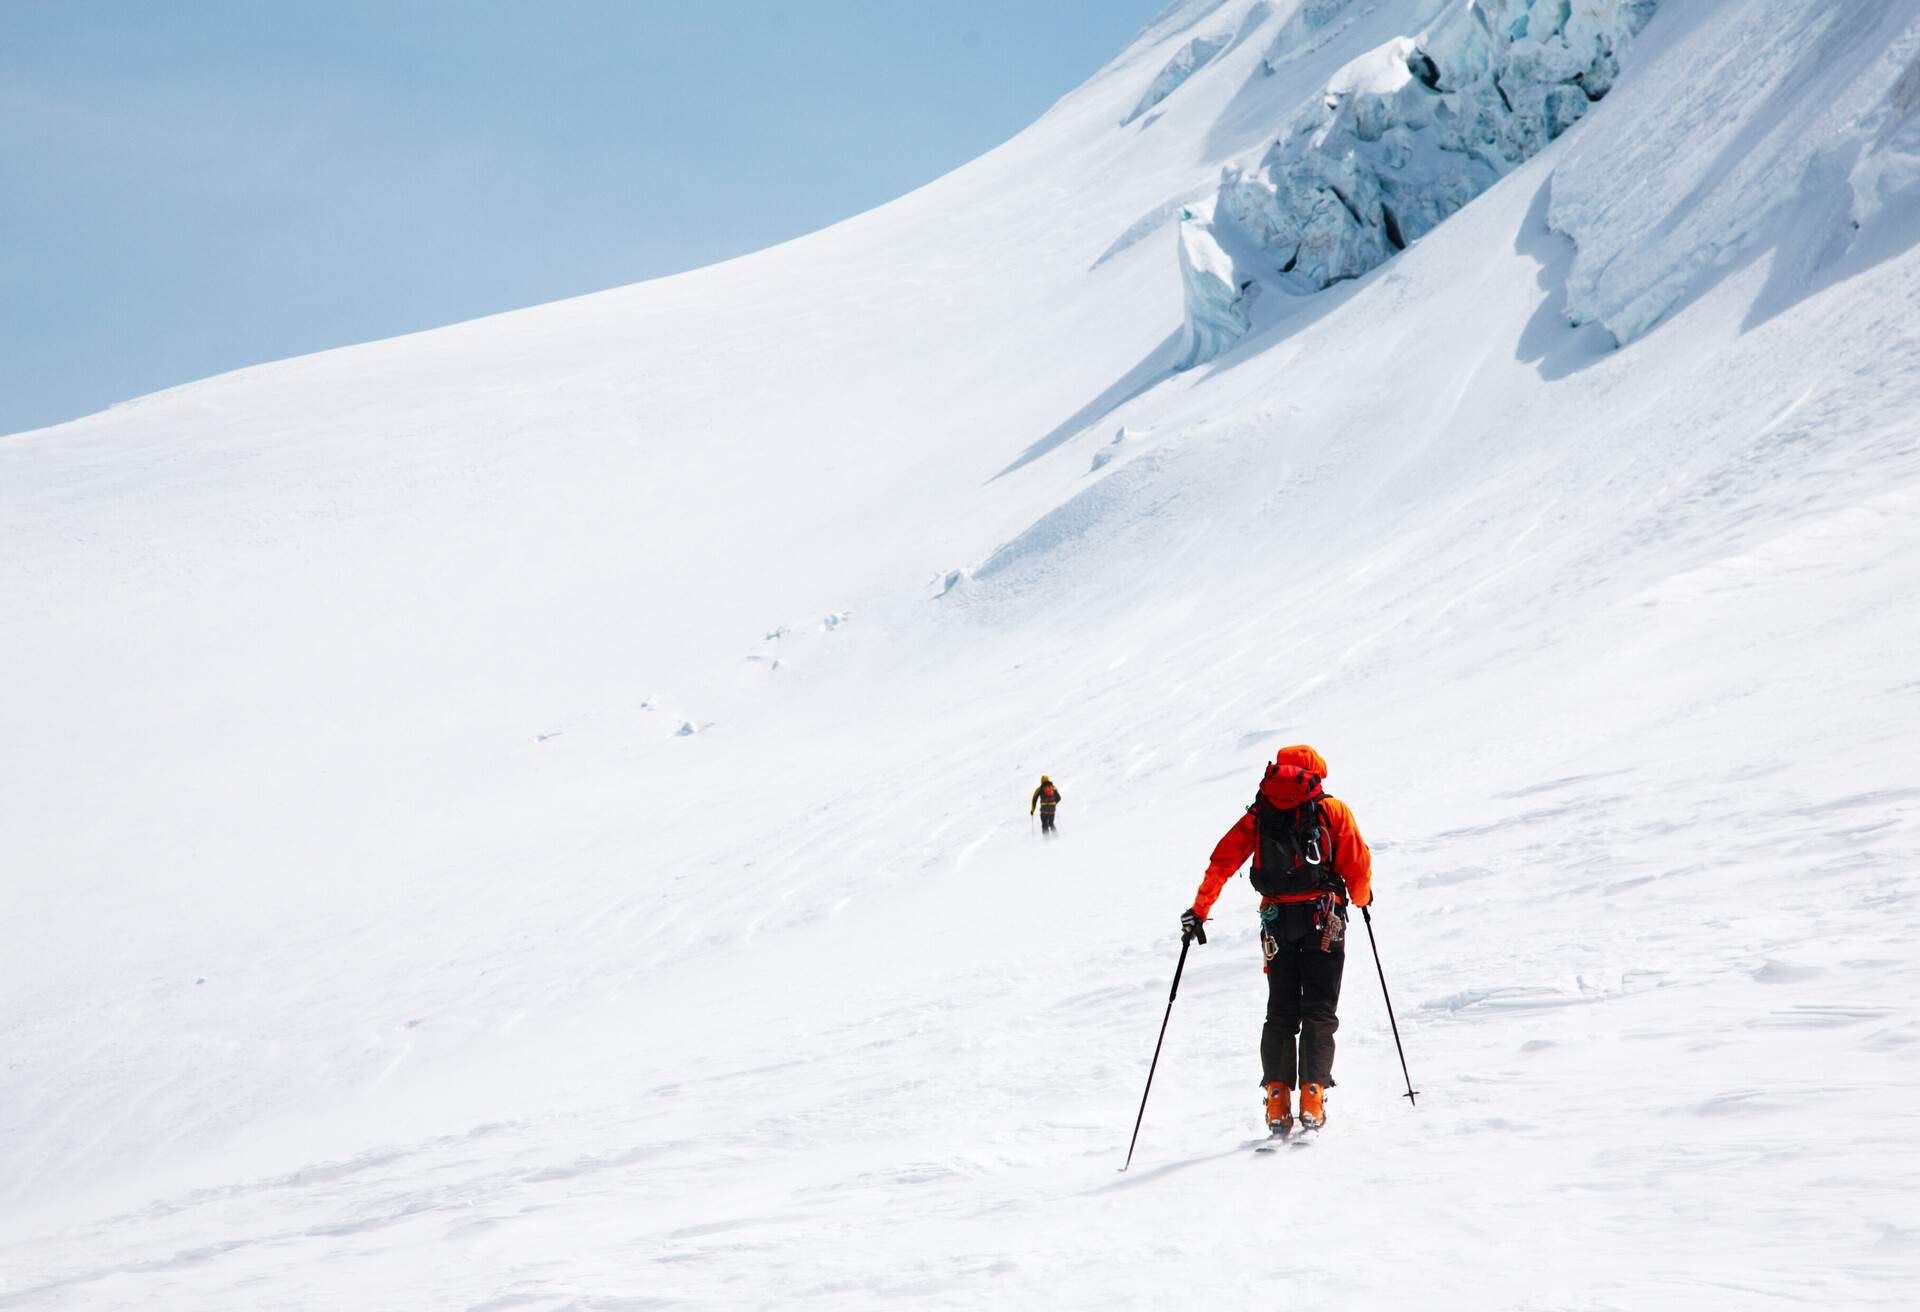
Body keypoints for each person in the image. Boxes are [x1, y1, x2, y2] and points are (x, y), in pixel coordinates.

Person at [1179, 745, 1371, 1136]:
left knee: (1280, 1011)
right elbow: (1357, 860)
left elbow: (1222, 861)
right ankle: (1313, 1095)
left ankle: (1278, 1100)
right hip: (1324, 920)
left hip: (1275, 922)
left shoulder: (1259, 813)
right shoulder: (1331, 810)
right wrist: (1363, 898)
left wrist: (1199, 911)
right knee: (1318, 1009)